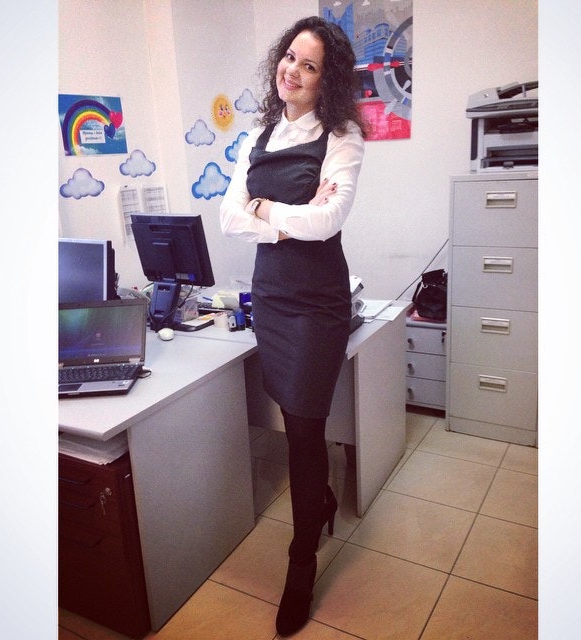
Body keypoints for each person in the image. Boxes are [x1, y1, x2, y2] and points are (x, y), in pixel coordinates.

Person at [220, 15, 367, 637]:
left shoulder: (343, 136)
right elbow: (228, 219)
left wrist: (264, 210)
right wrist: (284, 217)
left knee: (304, 434)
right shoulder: (257, 135)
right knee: (293, 420)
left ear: (326, 79)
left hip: (317, 303)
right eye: (290, 58)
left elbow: (328, 222)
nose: (293, 71)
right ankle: (323, 502)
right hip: (273, 297)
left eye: (310, 65)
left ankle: (300, 561)